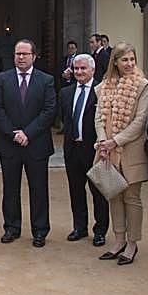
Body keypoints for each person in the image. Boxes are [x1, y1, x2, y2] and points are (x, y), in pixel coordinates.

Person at [0, 39, 58, 246]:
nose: (20, 57)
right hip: (9, 143)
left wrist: (27, 133)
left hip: (36, 144)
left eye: (25, 54)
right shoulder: (2, 79)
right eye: (17, 54)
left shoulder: (46, 80)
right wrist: (14, 134)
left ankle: (40, 230)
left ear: (34, 57)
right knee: (10, 189)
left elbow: (49, 111)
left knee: (38, 189)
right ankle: (11, 227)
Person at [94, 42, 148, 265]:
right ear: (115, 62)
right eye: (124, 60)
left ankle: (132, 243)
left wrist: (115, 141)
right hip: (107, 151)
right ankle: (118, 240)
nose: (129, 64)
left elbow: (140, 122)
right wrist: (103, 140)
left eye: (132, 59)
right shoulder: (104, 86)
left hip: (131, 151)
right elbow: (98, 117)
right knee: (114, 196)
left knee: (131, 198)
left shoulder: (143, 86)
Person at [59, 53, 108, 246]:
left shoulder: (101, 91)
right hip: (72, 149)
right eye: (76, 68)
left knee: (98, 192)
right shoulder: (66, 92)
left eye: (83, 68)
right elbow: (63, 118)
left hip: (94, 150)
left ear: (93, 70)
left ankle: (100, 231)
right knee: (76, 191)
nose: (79, 72)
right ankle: (80, 227)